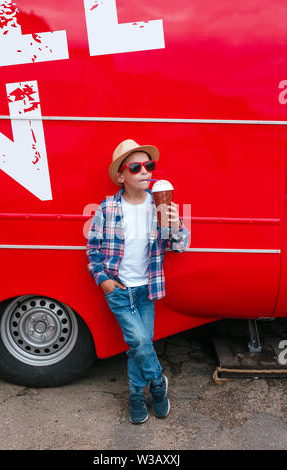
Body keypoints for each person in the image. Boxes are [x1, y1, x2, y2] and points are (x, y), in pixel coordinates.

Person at [86, 139, 190, 424]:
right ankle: (157, 385)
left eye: (149, 165)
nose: (145, 171)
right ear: (121, 176)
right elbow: (92, 248)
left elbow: (179, 247)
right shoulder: (107, 209)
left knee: (137, 346)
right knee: (140, 341)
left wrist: (176, 223)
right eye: (136, 167)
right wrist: (104, 281)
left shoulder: (159, 205)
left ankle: (135, 395)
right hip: (118, 290)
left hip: (146, 289)